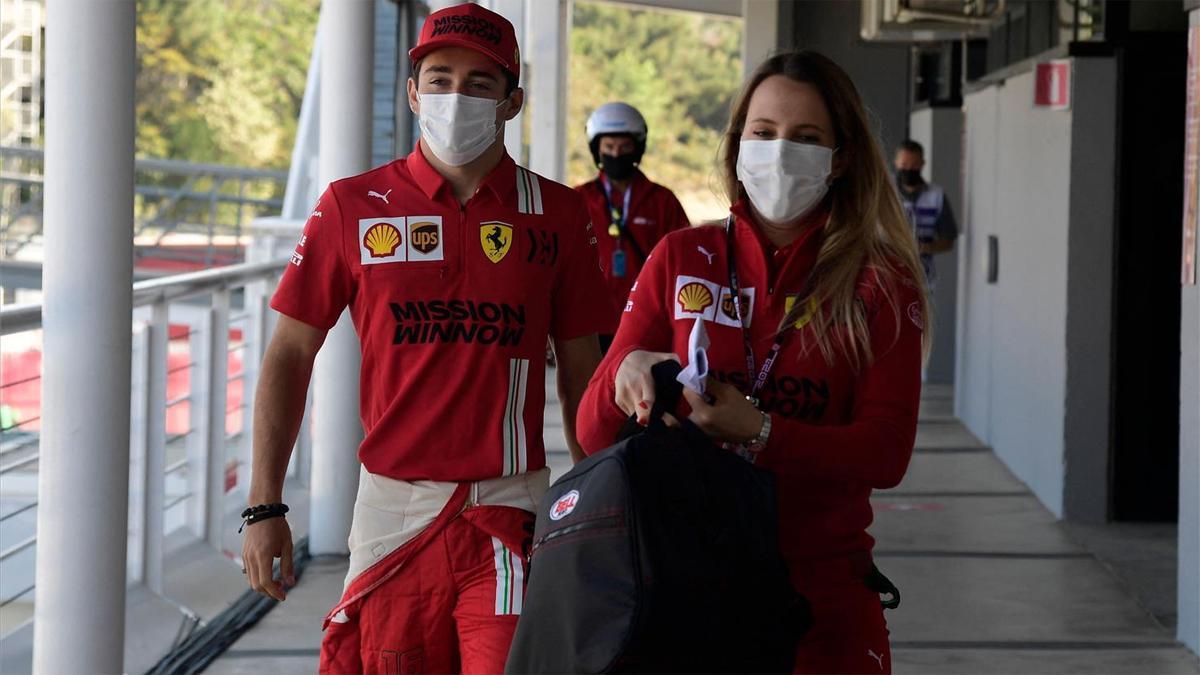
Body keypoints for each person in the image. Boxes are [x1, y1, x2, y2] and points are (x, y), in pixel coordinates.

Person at [240, 4, 608, 673]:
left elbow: (583, 369)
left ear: (512, 101)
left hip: (509, 505)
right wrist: (264, 505)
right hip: (392, 507)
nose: (455, 96)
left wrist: (601, 506)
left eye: (479, 83)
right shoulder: (351, 205)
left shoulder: (558, 213)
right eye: (439, 78)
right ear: (412, 92)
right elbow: (291, 351)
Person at [577, 50, 929, 675]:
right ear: (739, 145)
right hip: (683, 592)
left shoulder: (881, 282)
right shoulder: (681, 255)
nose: (780, 151)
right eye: (764, 134)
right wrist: (623, 369)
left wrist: (761, 433)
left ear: (841, 157)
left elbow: (886, 452)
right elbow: (593, 434)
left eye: (807, 137)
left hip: (824, 600)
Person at [575, 102, 690, 352]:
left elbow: (683, 264)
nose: (616, 154)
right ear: (597, 150)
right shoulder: (578, 200)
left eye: (625, 147)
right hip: (590, 326)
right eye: (609, 147)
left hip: (647, 324)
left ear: (638, 149)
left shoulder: (663, 201)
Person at [894, 139, 958, 287]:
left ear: (922, 164)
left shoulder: (936, 195)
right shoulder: (884, 193)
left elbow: (948, 240)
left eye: (914, 166)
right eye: (904, 165)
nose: (909, 170)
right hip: (887, 278)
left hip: (922, 280)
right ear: (896, 163)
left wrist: (923, 248)